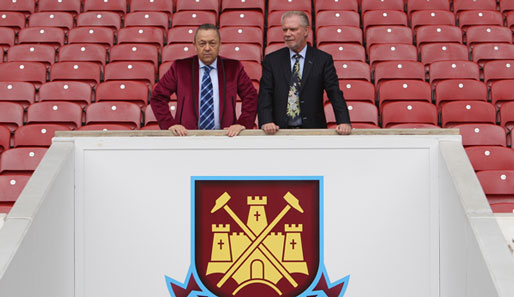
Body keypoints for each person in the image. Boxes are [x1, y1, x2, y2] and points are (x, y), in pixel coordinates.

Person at [150, 24, 258, 136]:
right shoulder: (180, 67)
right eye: (202, 43)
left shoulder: (233, 67)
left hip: (225, 138)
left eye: (212, 43)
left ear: (220, 45)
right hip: (187, 137)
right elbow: (158, 97)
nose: (207, 48)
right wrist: (169, 124)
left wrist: (242, 123)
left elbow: (251, 96)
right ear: (195, 45)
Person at [257, 11, 352, 135]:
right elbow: (265, 94)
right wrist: (266, 121)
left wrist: (344, 121)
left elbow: (334, 93)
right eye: (285, 30)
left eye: (293, 29)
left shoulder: (323, 60)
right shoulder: (271, 60)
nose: (287, 34)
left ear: (306, 31)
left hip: (313, 130)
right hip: (277, 131)